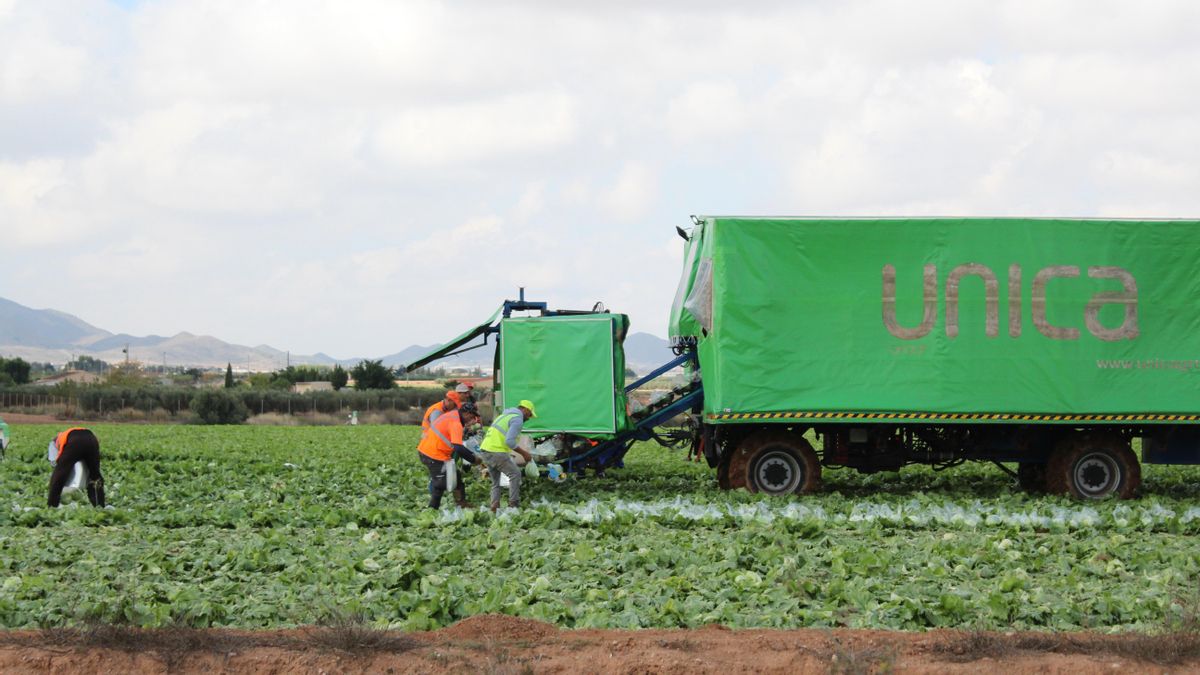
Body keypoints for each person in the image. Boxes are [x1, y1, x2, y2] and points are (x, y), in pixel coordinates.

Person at [417, 401, 482, 509]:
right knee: (440, 484)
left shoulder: (452, 415)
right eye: (471, 417)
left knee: (456, 477)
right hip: (432, 454)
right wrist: (474, 459)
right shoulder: (455, 423)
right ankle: (432, 510)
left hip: (435, 452)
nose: (472, 420)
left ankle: (461, 504)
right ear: (466, 413)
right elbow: (459, 448)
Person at [479, 399, 536, 512]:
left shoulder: (503, 416)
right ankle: (513, 506)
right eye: (529, 415)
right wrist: (524, 454)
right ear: (525, 410)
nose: (528, 418)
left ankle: (494, 507)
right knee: (515, 474)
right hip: (496, 451)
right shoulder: (517, 419)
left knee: (496, 482)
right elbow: (509, 441)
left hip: (485, 450)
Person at [47, 427, 105, 508]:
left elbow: (55, 463)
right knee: (95, 476)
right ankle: (99, 506)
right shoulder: (90, 436)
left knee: (58, 477)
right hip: (91, 440)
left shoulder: (53, 443)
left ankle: (52, 506)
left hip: (74, 441)